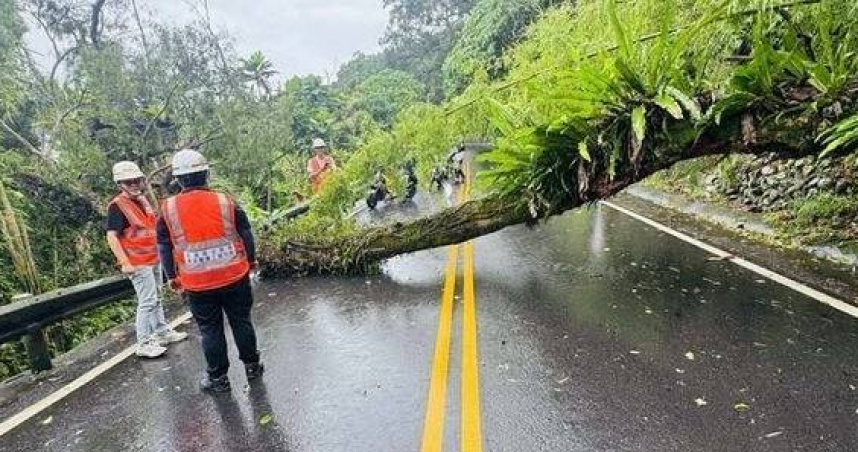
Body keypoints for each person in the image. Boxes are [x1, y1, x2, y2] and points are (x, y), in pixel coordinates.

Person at [157, 149, 263, 393]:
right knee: (241, 321)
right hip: (234, 275)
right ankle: (252, 367)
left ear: (178, 179)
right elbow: (245, 231)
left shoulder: (168, 208)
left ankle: (218, 379)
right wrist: (252, 260)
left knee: (209, 329)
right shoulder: (225, 200)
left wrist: (172, 276)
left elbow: (163, 243)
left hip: (197, 282)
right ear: (205, 174)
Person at [106, 161, 188, 359]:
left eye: (136, 181)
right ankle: (144, 342)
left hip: (153, 257)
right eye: (128, 182)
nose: (134, 185)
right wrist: (124, 262)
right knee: (147, 301)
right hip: (137, 261)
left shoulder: (142, 200)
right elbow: (112, 236)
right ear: (120, 184)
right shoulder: (117, 206)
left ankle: (162, 332)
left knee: (156, 298)